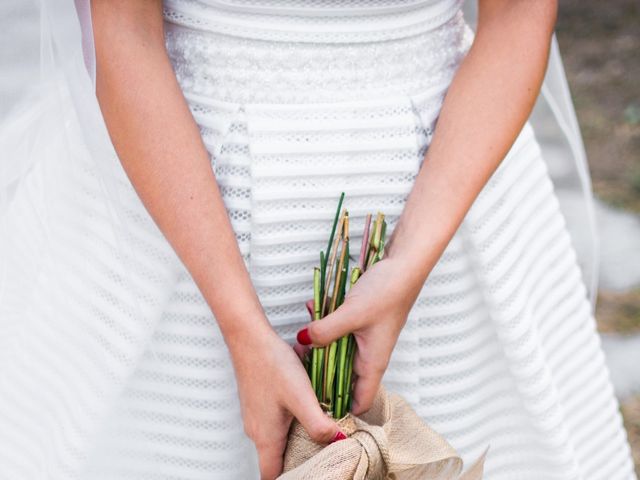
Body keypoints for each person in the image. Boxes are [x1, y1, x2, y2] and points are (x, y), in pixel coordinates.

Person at [0, 0, 636, 479]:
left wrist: (412, 259)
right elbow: (123, 39)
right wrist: (243, 328)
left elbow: (520, 17)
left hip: (446, 191)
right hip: (185, 206)